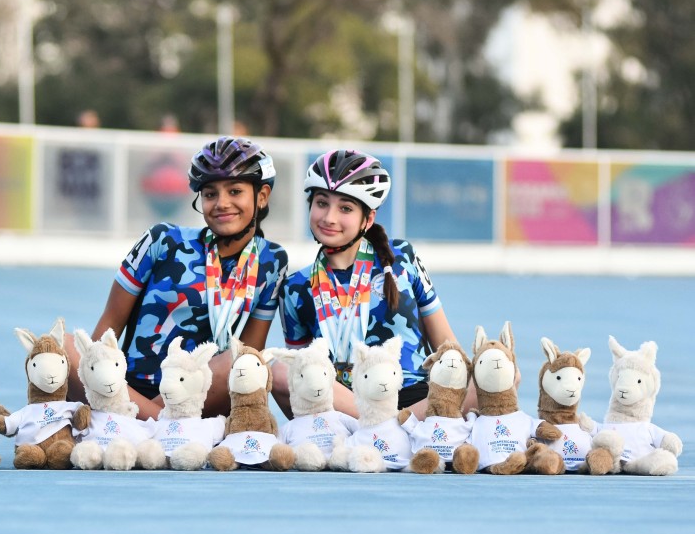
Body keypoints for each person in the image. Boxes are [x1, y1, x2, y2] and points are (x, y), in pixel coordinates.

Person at [65, 136, 289, 420]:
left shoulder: (272, 260)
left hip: (198, 397)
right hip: (125, 388)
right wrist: (98, 378)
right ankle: (158, 427)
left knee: (243, 359)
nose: (221, 203)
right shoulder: (163, 239)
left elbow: (251, 351)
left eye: (235, 191)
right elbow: (109, 324)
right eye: (210, 194)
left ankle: (127, 424)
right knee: (63, 346)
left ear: (262, 196)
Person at [276, 149, 475, 421]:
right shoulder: (295, 288)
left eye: (345, 208)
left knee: (498, 371)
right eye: (322, 203)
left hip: (416, 398)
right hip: (347, 406)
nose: (329, 217)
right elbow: (302, 375)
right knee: (279, 370)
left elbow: (447, 347)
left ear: (368, 219)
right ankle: (388, 429)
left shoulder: (402, 257)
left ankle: (386, 430)